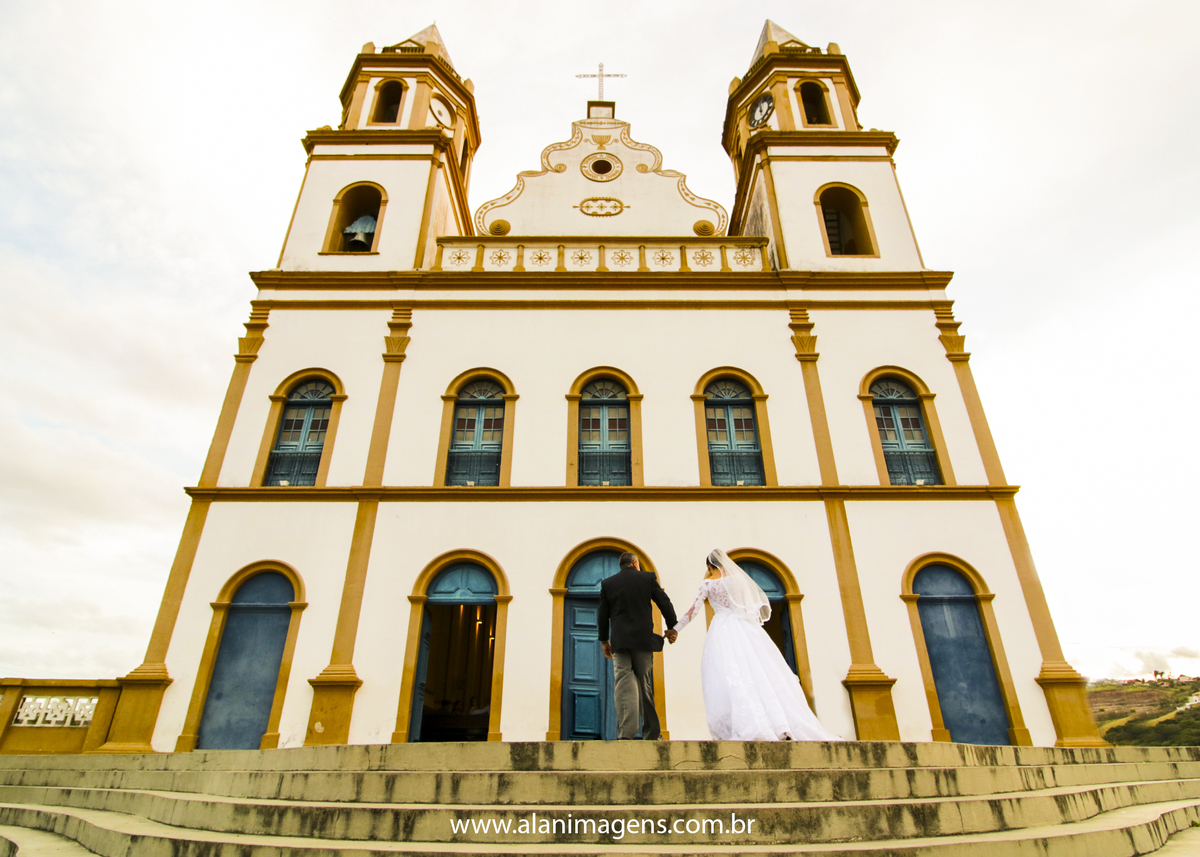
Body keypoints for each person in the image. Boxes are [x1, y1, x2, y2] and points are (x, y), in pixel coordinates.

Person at [673, 548, 841, 742]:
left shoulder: (708, 584)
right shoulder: (738, 581)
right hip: (745, 629)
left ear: (709, 567)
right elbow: (749, 607)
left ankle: (742, 726)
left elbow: (693, 611)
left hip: (722, 630)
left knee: (729, 676)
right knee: (760, 673)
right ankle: (780, 724)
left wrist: (676, 629)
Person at [598, 552, 678, 740]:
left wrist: (604, 640)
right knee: (644, 684)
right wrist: (672, 627)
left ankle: (625, 734)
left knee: (623, 684)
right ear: (635, 563)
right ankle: (651, 733)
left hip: (620, 642)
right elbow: (664, 602)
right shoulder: (647, 578)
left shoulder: (608, 584)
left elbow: (602, 614)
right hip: (643, 641)